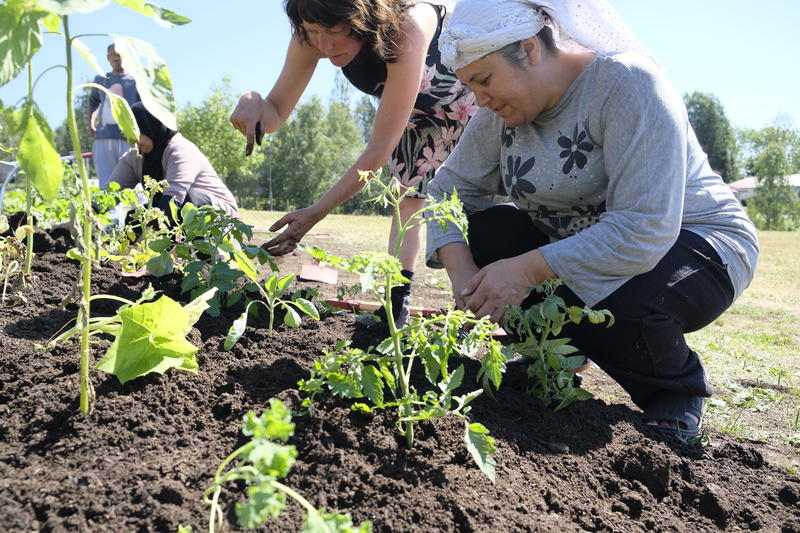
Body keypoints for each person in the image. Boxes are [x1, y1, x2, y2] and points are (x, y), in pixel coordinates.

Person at [426, 0, 759, 440]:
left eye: (484, 81)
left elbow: (644, 229)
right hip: (590, 247)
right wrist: (463, 274)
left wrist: (522, 271)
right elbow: (445, 192)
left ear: (529, 50)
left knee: (621, 303)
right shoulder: (497, 115)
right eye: (471, 87)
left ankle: (675, 391)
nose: (479, 99)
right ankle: (556, 355)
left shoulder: (626, 83)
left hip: (696, 243)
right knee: (490, 230)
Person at [230, 0, 478, 324]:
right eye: (314, 32)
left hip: (470, 101)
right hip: (413, 115)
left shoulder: (407, 26)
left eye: (334, 32)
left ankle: (471, 311)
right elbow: (275, 113)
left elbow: (378, 149)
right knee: (405, 201)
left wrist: (316, 212)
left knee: (466, 207)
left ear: (363, 18)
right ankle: (395, 307)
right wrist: (251, 100)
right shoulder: (312, 28)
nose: (323, 45)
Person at [109, 102, 240, 220]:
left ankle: (191, 247)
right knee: (136, 217)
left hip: (221, 218)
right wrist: (93, 209)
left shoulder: (180, 150)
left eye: (135, 133)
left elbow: (173, 201)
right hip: (174, 213)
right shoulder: (136, 156)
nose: (131, 140)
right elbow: (111, 194)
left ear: (149, 126)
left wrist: (148, 242)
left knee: (188, 203)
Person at [89, 44, 140, 189]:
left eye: (120, 53)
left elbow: (143, 108)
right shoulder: (101, 80)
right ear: (108, 58)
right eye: (113, 54)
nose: (116, 57)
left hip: (128, 138)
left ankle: (138, 211)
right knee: (106, 183)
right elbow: (93, 103)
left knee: (133, 182)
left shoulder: (135, 81)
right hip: (103, 137)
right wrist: (91, 123)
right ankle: (110, 211)